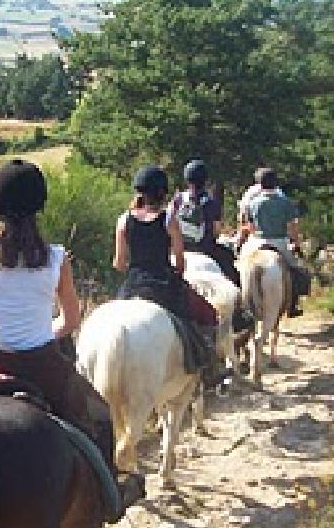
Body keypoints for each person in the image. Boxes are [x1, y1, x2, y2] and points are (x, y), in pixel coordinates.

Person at [0, 158, 142, 511]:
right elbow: (72, 319)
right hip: (43, 368)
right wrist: (44, 334)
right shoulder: (57, 258)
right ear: (39, 205)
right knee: (100, 417)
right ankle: (111, 496)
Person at [113, 164, 226, 385]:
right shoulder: (167, 220)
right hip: (163, 283)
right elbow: (181, 261)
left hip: (133, 284)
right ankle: (209, 367)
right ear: (162, 192)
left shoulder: (123, 220)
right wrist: (176, 270)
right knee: (208, 314)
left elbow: (118, 263)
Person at [239, 167, 310, 317]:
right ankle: (292, 305)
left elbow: (250, 227)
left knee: (240, 266)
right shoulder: (285, 202)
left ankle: (241, 304)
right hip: (279, 242)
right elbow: (292, 227)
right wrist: (296, 244)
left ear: (259, 183)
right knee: (295, 271)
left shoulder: (253, 203)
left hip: (256, 242)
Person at [171, 158, 241, 288]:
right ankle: (241, 304)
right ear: (205, 180)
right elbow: (216, 232)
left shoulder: (178, 199)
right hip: (206, 249)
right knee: (231, 265)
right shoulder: (212, 203)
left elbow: (170, 223)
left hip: (180, 249)